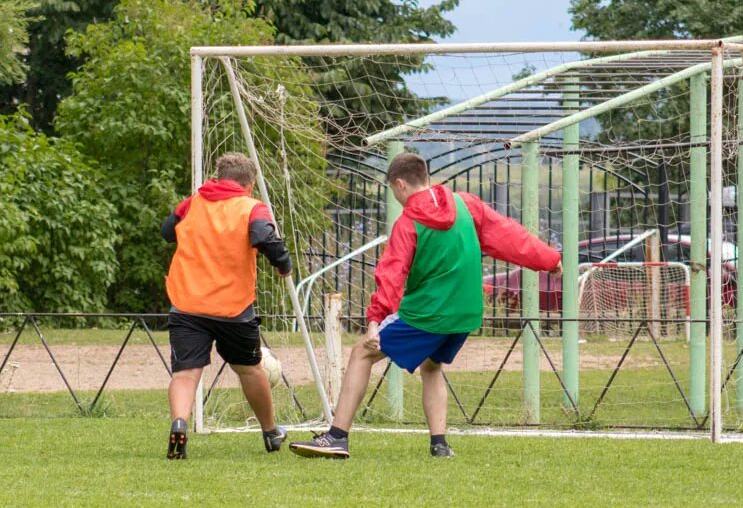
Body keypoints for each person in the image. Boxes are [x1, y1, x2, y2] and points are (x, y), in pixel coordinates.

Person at [291, 151, 560, 460]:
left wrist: (375, 320)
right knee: (432, 366)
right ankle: (440, 444)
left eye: (393, 190)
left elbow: (392, 274)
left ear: (400, 184)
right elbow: (510, 236)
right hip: (466, 313)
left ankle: (337, 436)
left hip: (429, 313)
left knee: (361, 353)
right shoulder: (466, 204)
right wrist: (549, 260)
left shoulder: (408, 223)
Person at [161, 152, 292, 459]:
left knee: (185, 374)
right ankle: (271, 433)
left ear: (218, 177)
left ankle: (179, 424)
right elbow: (264, 236)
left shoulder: (193, 202)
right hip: (233, 307)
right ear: (250, 183)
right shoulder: (251, 207)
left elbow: (167, 232)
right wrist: (283, 263)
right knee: (249, 370)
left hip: (188, 303)